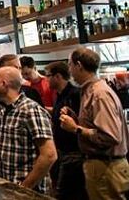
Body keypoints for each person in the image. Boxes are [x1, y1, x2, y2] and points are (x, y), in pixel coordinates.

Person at [59, 47, 129, 199]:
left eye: (70, 65)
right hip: (101, 166)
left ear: (79, 65)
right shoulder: (90, 90)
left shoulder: (99, 94)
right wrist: (76, 119)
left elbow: (110, 136)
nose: (69, 70)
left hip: (107, 167)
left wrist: (75, 128)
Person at [0, 66, 57, 194]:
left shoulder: (31, 110)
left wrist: (24, 188)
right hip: (3, 187)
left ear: (4, 84)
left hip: (28, 191)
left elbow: (49, 155)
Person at [44, 61, 86, 200]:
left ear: (57, 76)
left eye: (48, 76)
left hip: (74, 153)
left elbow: (83, 122)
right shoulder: (59, 96)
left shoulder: (76, 94)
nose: (46, 79)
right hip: (61, 152)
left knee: (64, 195)